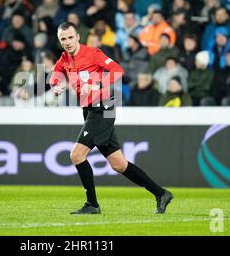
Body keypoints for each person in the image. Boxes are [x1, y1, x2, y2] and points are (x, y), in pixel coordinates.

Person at [50, 22, 173, 215]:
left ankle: (92, 204)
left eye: (70, 37)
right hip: (90, 110)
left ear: (78, 37)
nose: (67, 42)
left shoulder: (93, 53)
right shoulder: (65, 58)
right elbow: (55, 76)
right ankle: (161, 193)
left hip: (103, 107)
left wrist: (99, 84)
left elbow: (117, 71)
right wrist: (56, 85)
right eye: (63, 39)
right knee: (118, 164)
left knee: (76, 155)